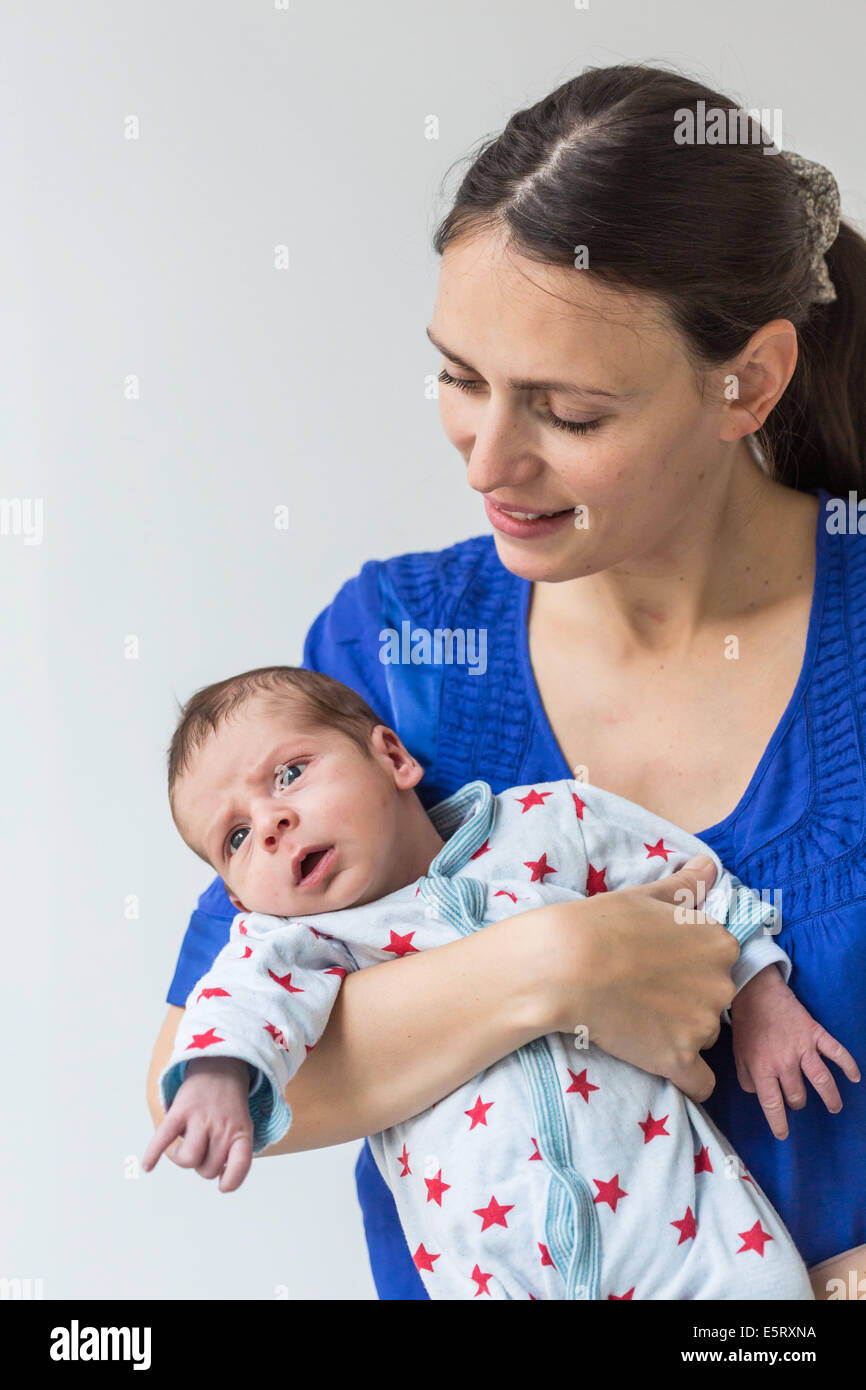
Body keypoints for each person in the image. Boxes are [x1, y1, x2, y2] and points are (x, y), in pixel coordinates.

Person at [147, 62, 866, 1299]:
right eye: (460, 377)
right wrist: (564, 970)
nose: (486, 459)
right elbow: (233, 1067)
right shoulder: (395, 652)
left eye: (567, 413)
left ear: (744, 379)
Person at [142, 666, 837, 1299]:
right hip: (496, 1276)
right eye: (233, 838)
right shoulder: (300, 945)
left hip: (689, 1240)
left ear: (391, 757)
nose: (270, 824)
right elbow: (237, 1000)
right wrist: (216, 1075)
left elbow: (696, 884)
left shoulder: (548, 824)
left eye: (289, 775)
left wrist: (759, 993)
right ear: (239, 902)